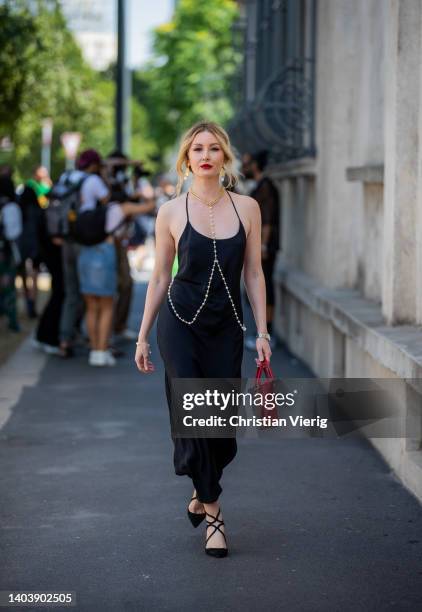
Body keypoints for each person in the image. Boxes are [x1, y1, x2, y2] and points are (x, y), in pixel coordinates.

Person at [134, 120, 272, 558]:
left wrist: (263, 331)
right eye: (198, 149)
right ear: (187, 159)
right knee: (194, 416)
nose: (206, 155)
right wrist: (141, 337)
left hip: (227, 327)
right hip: (178, 324)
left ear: (224, 156)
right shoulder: (170, 212)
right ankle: (214, 516)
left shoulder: (248, 207)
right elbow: (158, 277)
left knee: (220, 425)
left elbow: (253, 272)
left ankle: (200, 491)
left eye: (214, 148)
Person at [76, 149, 154, 366]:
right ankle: (102, 352)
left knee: (92, 306)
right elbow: (150, 203)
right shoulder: (120, 208)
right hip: (105, 252)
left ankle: (94, 351)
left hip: (86, 252)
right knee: (107, 304)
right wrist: (141, 180)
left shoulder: (88, 207)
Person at [242, 150, 280, 350]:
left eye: (247, 163)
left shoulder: (266, 187)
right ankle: (263, 333)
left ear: (255, 165)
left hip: (265, 247)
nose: (244, 167)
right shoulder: (260, 186)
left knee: (265, 290)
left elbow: (268, 221)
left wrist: (263, 245)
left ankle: (266, 335)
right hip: (260, 246)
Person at [18, 166, 52, 318]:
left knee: (25, 274)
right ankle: (31, 302)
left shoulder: (20, 211)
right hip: (35, 244)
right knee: (34, 274)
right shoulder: (37, 206)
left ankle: (29, 301)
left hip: (22, 243)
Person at [0, 174, 22, 332]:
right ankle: (12, 320)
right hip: (6, 254)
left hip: (4, 252)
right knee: (9, 288)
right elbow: (14, 232)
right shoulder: (12, 207)